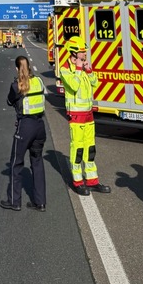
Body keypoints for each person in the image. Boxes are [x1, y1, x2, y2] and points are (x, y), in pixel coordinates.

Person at [60, 36, 111, 195]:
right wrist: (78, 69)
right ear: (74, 53)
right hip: (76, 115)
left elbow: (95, 83)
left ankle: (92, 180)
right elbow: (74, 86)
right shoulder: (65, 69)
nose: (85, 54)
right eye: (82, 52)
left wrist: (89, 70)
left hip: (88, 114)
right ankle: (77, 182)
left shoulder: (82, 67)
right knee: (78, 149)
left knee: (90, 148)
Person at [1, 55, 47, 211]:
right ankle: (40, 202)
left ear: (16, 68)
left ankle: (15, 201)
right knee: (37, 163)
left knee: (16, 163)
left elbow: (9, 101)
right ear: (30, 67)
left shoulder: (17, 86)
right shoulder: (39, 81)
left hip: (25, 127)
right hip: (40, 126)